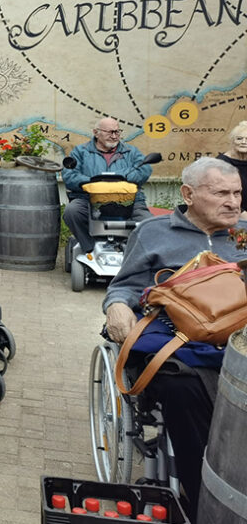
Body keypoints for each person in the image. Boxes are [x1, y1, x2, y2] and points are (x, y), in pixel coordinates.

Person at [103, 157, 246, 516]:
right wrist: (116, 306)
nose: (233, 202)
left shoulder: (243, 234)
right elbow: (124, 286)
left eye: (237, 193)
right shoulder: (153, 232)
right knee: (181, 390)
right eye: (221, 194)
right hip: (177, 340)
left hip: (237, 340)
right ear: (188, 194)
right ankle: (202, 503)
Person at [62, 117, 153, 253]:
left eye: (117, 132)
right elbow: (69, 175)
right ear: (96, 132)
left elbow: (144, 170)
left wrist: (117, 177)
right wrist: (93, 182)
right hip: (89, 200)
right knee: (72, 212)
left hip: (129, 201)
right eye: (110, 132)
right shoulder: (80, 152)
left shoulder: (131, 152)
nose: (114, 136)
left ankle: (133, 252)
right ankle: (90, 248)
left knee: (150, 224)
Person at [217, 120, 247, 220]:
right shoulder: (221, 163)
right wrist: (242, 214)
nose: (243, 142)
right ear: (232, 141)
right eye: (239, 138)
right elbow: (221, 194)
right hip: (232, 213)